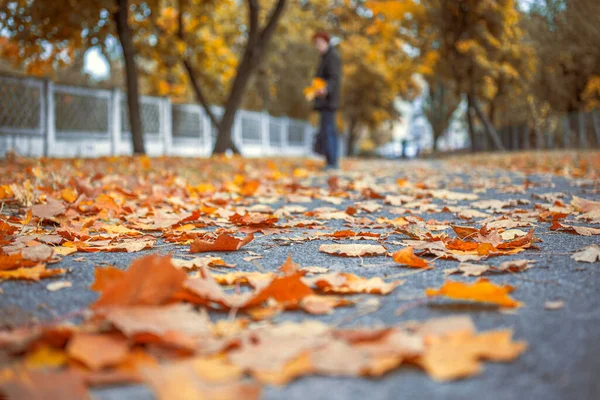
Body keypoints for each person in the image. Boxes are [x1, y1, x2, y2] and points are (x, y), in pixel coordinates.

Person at [312, 31, 341, 170]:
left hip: (329, 101)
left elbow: (334, 78)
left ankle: (332, 162)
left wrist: (325, 89)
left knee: (328, 131)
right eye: (315, 44)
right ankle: (331, 161)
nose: (317, 46)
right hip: (325, 101)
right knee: (327, 130)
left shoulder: (332, 57)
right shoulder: (325, 57)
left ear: (326, 42)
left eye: (319, 43)